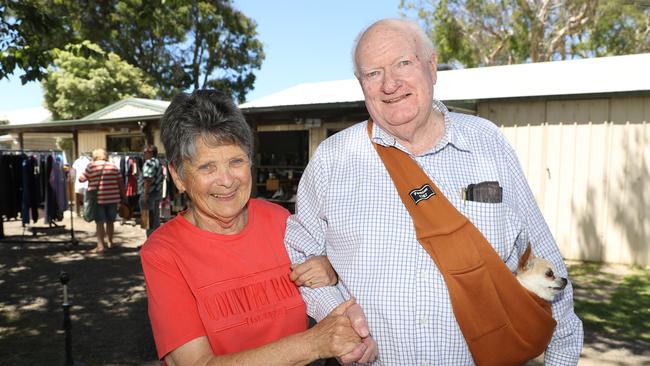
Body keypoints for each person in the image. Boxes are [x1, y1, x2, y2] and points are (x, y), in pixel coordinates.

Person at [285, 18, 583, 365]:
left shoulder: (487, 143)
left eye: (403, 63)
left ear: (432, 67)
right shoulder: (333, 160)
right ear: (361, 83)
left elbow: (546, 259)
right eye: (373, 73)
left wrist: (562, 353)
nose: (390, 84)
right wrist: (337, 316)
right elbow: (300, 253)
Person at [140, 89, 372, 366]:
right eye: (207, 167)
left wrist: (331, 267)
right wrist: (313, 343)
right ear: (178, 177)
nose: (226, 180)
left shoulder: (279, 219)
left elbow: (336, 286)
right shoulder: (164, 252)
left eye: (236, 161)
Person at [78, 148, 126, 252]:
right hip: (113, 198)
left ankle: (100, 246)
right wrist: (124, 197)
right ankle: (110, 242)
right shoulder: (113, 166)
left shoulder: (91, 166)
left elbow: (81, 179)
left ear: (94, 156)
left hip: (98, 199)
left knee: (99, 222)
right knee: (110, 221)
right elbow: (121, 183)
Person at [138, 144, 164, 237]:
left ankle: (149, 243)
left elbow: (148, 179)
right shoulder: (158, 162)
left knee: (147, 220)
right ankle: (155, 242)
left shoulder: (149, 163)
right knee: (155, 219)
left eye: (145, 152)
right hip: (156, 193)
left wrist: (145, 195)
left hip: (149, 194)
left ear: (151, 153)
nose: (143, 154)